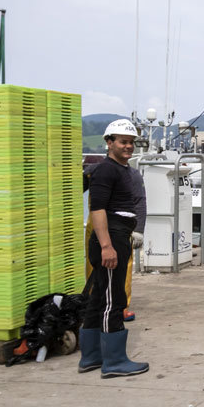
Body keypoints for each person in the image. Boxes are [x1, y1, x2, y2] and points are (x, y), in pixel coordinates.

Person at [79, 119, 149, 378]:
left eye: (131, 142)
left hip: (118, 235)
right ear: (109, 143)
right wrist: (107, 246)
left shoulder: (121, 170)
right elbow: (97, 209)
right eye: (122, 141)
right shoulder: (106, 171)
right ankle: (114, 361)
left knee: (99, 296)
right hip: (111, 238)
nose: (128, 146)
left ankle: (91, 357)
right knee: (113, 299)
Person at [83, 163, 145, 323]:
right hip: (95, 228)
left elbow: (139, 200)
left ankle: (121, 307)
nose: (127, 147)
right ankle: (93, 304)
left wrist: (138, 230)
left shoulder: (133, 175)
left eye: (129, 142)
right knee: (92, 269)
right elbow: (73, 189)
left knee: (123, 269)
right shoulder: (92, 172)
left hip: (122, 230)